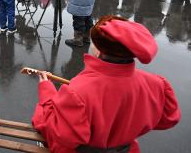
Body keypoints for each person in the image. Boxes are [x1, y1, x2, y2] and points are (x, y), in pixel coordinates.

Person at [32, 15, 181, 153]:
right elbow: (168, 120)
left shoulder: (80, 89)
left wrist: (47, 91)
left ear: (99, 51)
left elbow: (60, 132)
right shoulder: (156, 84)